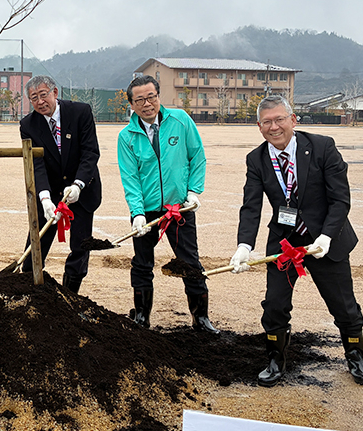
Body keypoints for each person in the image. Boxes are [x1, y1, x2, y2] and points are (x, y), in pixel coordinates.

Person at [229, 95, 363, 387]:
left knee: (343, 305)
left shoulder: (322, 147)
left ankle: (355, 355)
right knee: (275, 304)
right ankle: (275, 358)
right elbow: (251, 206)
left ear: (293, 120)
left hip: (324, 241)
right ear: (259, 126)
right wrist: (244, 246)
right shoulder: (256, 159)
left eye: (280, 119)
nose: (274, 126)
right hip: (285, 242)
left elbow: (340, 200)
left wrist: (327, 237)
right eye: (267, 122)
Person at [117, 75, 218, 333]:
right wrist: (137, 213)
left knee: (190, 262)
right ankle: (141, 316)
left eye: (151, 97)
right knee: (141, 263)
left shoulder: (181, 120)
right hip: (147, 211)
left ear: (158, 96)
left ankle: (201, 318)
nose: (147, 103)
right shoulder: (126, 136)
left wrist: (194, 192)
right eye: (139, 99)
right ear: (131, 104)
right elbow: (130, 178)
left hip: (179, 208)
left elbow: (197, 157)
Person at [18, 75, 101, 293]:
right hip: (51, 190)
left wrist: (78, 184)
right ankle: (30, 289)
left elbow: (90, 152)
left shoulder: (80, 112)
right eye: (33, 98)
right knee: (37, 241)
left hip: (81, 189)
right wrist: (44, 198)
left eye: (43, 95)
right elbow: (36, 164)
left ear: (55, 93)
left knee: (81, 245)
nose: (39, 102)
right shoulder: (28, 124)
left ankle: (71, 295)